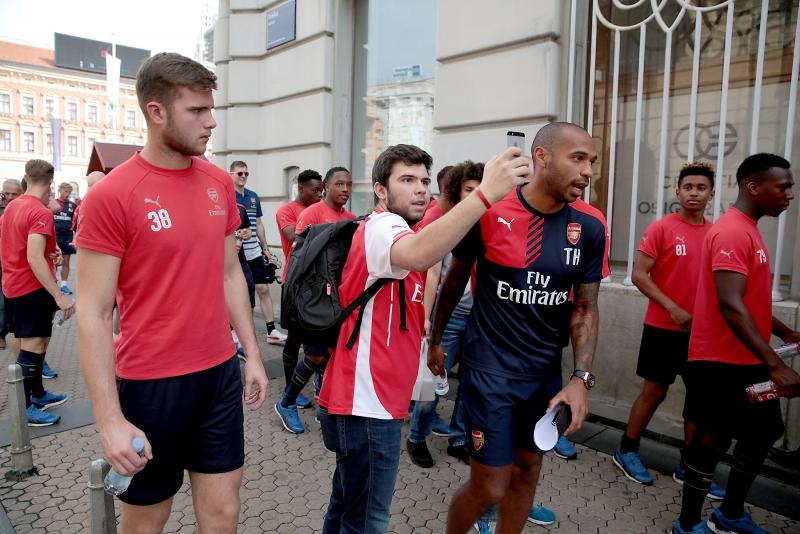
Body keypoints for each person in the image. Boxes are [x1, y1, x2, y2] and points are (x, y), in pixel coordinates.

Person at [75, 52, 268, 533]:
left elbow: (229, 274)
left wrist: (253, 354)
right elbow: (94, 314)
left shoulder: (220, 184)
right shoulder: (111, 196)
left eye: (211, 109)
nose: (211, 122)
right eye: (197, 111)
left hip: (219, 376)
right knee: (147, 521)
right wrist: (109, 421)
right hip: (150, 385)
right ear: (156, 112)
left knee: (224, 511)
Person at [317, 143, 530, 533]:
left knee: (348, 504)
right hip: (367, 402)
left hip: (370, 398)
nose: (420, 189)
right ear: (380, 189)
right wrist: (485, 195)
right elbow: (417, 255)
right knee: (369, 518)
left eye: (425, 181)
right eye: (407, 180)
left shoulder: (399, 227)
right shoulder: (384, 227)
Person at [429, 122, 606, 534]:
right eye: (577, 158)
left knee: (527, 471)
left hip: (544, 375)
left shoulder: (591, 226)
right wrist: (435, 340)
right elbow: (456, 279)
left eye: (591, 161)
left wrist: (580, 378)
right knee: (490, 486)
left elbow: (586, 305)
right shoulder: (491, 210)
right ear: (541, 157)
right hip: (489, 371)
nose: (587, 171)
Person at [672, 153, 800, 534]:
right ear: (754, 187)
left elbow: (747, 299)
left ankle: (730, 512)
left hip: (749, 362)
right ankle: (688, 524)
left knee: (763, 429)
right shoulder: (731, 231)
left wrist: (782, 332)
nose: (789, 194)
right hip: (718, 364)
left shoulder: (748, 229)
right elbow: (729, 304)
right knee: (710, 441)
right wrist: (776, 365)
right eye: (784, 186)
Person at [613, 161, 724, 501]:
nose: (694, 193)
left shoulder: (717, 233)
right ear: (677, 192)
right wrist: (672, 307)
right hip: (662, 327)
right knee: (655, 391)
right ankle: (626, 449)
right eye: (688, 187)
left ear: (711, 194)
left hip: (702, 334)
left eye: (701, 188)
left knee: (700, 400)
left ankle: (689, 464)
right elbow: (639, 275)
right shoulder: (661, 228)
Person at [406, 161, 481, 468]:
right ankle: (416, 437)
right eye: (468, 190)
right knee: (432, 381)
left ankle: (460, 438)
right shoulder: (445, 221)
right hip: (448, 318)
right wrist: (427, 319)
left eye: (480, 190)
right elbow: (433, 272)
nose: (475, 195)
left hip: (480, 318)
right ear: (455, 191)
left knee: (471, 381)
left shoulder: (487, 221)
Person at [275, 166, 355, 433]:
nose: (345, 189)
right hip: (307, 294)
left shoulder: (352, 218)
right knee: (315, 352)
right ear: (326, 188)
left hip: (337, 297)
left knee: (329, 352)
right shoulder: (312, 214)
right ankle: (287, 402)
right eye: (339, 184)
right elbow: (301, 257)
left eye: (349, 184)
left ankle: (324, 405)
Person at [0, 160, 73, 427]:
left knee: (36, 343)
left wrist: (48, 253)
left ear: (26, 178)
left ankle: (38, 394)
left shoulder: (12, 207)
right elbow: (33, 256)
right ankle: (26, 407)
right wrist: (59, 294)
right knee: (33, 347)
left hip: (14, 284)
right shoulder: (39, 212)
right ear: (50, 182)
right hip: (31, 287)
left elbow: (18, 246)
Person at [230, 160, 287, 344]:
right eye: (240, 173)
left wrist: (266, 249)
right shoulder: (227, 196)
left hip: (254, 250)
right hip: (235, 253)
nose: (244, 177)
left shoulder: (253, 196)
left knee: (263, 288)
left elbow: (259, 224)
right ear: (231, 174)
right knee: (239, 293)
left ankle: (271, 331)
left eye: (246, 173)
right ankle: (234, 333)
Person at [275, 169, 323, 277]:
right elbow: (293, 236)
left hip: (319, 276)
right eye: (315, 191)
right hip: (295, 275)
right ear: (301, 189)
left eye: (321, 191)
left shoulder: (321, 208)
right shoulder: (286, 210)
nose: (320, 195)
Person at [0, 178, 23, 350]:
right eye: (6, 193)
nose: (9, 197)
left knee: (5, 304)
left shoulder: (22, 208)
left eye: (14, 194)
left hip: (12, 265)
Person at [48, 182, 78, 295]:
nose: (68, 194)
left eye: (69, 192)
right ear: (60, 190)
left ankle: (64, 285)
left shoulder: (72, 205)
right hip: (55, 235)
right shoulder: (53, 203)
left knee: (66, 261)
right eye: (66, 191)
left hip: (67, 236)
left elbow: (76, 222)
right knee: (53, 261)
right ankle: (52, 284)